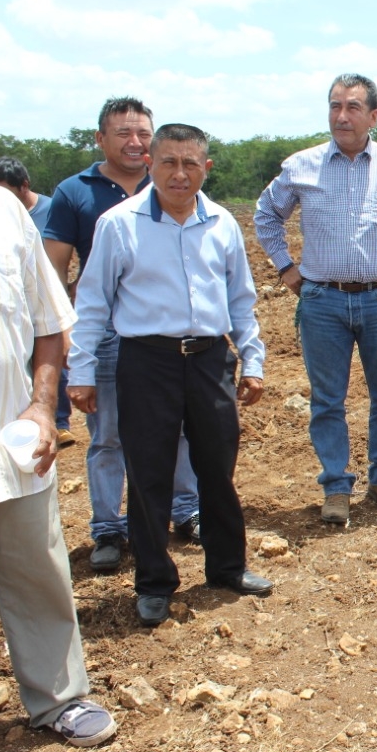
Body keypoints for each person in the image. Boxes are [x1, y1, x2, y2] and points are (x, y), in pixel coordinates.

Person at [0, 90, 117, 752]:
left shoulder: (1, 214)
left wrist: (39, 404)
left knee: (38, 569)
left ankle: (58, 696)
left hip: (7, 434)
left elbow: (50, 321)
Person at [68, 123, 271, 627]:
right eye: (168, 163)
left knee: (217, 468)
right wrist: (82, 370)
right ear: (151, 164)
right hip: (146, 361)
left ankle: (227, 568)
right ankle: (154, 582)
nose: (179, 174)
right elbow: (92, 302)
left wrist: (253, 359)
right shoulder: (119, 224)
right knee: (149, 474)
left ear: (207, 167)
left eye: (190, 163)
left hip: (208, 359)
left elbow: (241, 299)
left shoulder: (221, 222)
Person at [255, 73, 377, 525]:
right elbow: (266, 215)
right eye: (335, 106)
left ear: (373, 116)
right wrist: (286, 267)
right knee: (327, 400)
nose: (342, 116)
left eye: (353, 107)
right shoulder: (301, 166)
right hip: (322, 300)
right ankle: (336, 486)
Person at [43, 97, 202, 570]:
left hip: (162, 337)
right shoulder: (76, 193)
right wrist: (69, 338)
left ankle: (184, 511)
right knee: (107, 434)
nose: (134, 143)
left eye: (141, 135)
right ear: (101, 139)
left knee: (177, 429)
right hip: (107, 335)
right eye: (122, 134)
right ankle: (108, 528)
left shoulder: (176, 189)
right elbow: (54, 269)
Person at [0, 156, 73, 447]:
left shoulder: (50, 209)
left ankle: (59, 420)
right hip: (12, 301)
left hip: (47, 299)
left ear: (24, 186)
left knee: (52, 354)